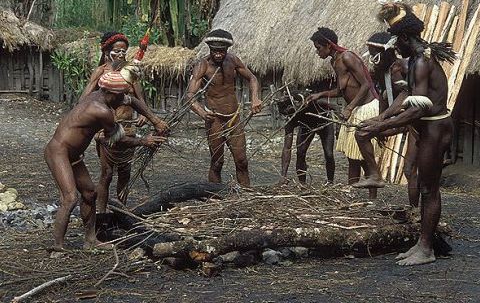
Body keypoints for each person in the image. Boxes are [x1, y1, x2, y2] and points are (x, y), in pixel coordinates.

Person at [356, 3, 456, 265]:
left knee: (429, 188)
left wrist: (381, 127)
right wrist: (384, 117)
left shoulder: (422, 61)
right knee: (425, 187)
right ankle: (423, 243)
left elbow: (418, 110)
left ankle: (426, 249)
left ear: (402, 38)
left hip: (434, 127)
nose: (395, 47)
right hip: (428, 127)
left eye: (394, 41)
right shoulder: (415, 60)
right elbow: (407, 94)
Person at [44, 71, 168, 256]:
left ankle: (90, 240)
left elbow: (133, 101)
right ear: (112, 94)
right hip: (58, 152)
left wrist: (155, 120)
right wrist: (144, 141)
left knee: (89, 193)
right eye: (120, 98)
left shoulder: (100, 95)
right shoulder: (101, 110)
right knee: (70, 198)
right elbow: (117, 140)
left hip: (73, 154)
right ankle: (57, 247)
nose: (122, 102)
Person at [306, 27, 382, 199]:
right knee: (352, 155)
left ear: (328, 45)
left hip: (366, 108)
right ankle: (352, 193)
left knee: (364, 156)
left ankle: (372, 199)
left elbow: (365, 85)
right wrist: (320, 94)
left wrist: (349, 108)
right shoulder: (335, 62)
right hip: (355, 109)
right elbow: (342, 91)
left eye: (318, 48)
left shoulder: (347, 57)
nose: (317, 52)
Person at [80, 32, 149, 212]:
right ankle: (102, 213)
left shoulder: (130, 72)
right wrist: (93, 127)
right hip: (107, 130)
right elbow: (84, 100)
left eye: (124, 51)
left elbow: (140, 100)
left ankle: (120, 210)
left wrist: (144, 115)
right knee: (107, 174)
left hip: (128, 129)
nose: (120, 54)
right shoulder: (101, 72)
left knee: (125, 173)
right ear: (107, 51)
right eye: (117, 51)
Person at [186, 29, 262, 187]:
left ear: (227, 49)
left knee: (242, 161)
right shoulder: (203, 65)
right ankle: (215, 197)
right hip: (215, 120)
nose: (218, 55)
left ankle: (245, 195)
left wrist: (255, 98)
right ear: (209, 48)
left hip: (234, 119)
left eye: (222, 51)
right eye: (215, 51)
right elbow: (189, 95)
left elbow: (252, 78)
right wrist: (202, 113)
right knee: (217, 162)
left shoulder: (233, 60)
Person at [365, 32, 419, 208]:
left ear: (387, 52)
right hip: (398, 121)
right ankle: (374, 181)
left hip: (416, 122)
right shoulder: (382, 72)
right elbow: (383, 96)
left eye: (374, 55)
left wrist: (382, 118)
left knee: (409, 170)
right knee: (362, 132)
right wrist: (380, 124)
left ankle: (414, 211)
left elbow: (405, 94)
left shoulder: (403, 68)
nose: (372, 59)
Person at [276, 90, 335, 184]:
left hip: (324, 123)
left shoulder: (311, 102)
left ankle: (330, 182)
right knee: (300, 152)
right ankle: (302, 183)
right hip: (306, 128)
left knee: (329, 154)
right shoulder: (290, 119)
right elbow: (287, 148)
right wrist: (283, 175)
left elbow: (333, 106)